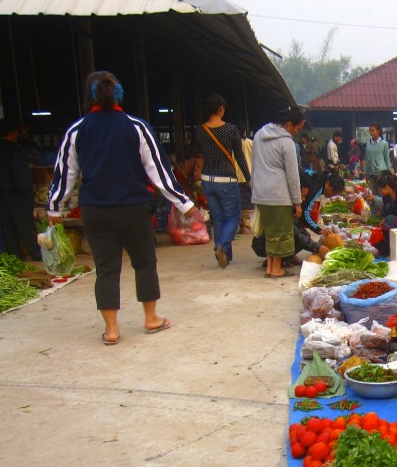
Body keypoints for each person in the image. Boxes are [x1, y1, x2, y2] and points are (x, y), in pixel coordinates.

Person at [47, 70, 194, 344]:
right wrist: (184, 204)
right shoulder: (135, 126)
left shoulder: (77, 130)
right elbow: (158, 171)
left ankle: (112, 329)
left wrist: (54, 209)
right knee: (144, 262)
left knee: (106, 268)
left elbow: (64, 173)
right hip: (132, 208)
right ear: (119, 93)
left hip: (95, 210)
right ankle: (151, 319)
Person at [194, 94, 251, 268]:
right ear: (220, 109)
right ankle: (222, 246)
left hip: (207, 179)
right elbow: (239, 156)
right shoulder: (230, 129)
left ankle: (225, 256)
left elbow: (200, 151)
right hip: (226, 178)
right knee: (233, 217)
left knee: (218, 218)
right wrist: (248, 177)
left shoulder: (199, 130)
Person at [251, 106, 305, 278]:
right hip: (279, 194)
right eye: (298, 128)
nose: (297, 131)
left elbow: (255, 163)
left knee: (270, 232)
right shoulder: (287, 142)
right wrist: (297, 202)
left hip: (261, 192)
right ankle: (276, 269)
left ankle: (270, 268)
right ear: (289, 124)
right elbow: (292, 175)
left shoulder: (259, 134)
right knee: (281, 233)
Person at [0, 118, 41, 261]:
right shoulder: (14, 151)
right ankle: (38, 255)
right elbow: (21, 175)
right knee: (25, 226)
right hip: (17, 195)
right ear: (12, 133)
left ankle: (15, 257)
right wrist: (29, 193)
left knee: (7, 227)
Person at [363, 123, 392, 194]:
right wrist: (366, 173)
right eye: (370, 131)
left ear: (378, 131)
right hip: (371, 173)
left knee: (382, 193)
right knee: (373, 193)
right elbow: (366, 159)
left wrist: (388, 174)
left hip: (381, 173)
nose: (371, 133)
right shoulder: (368, 144)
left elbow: (387, 159)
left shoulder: (384, 144)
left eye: (373, 131)